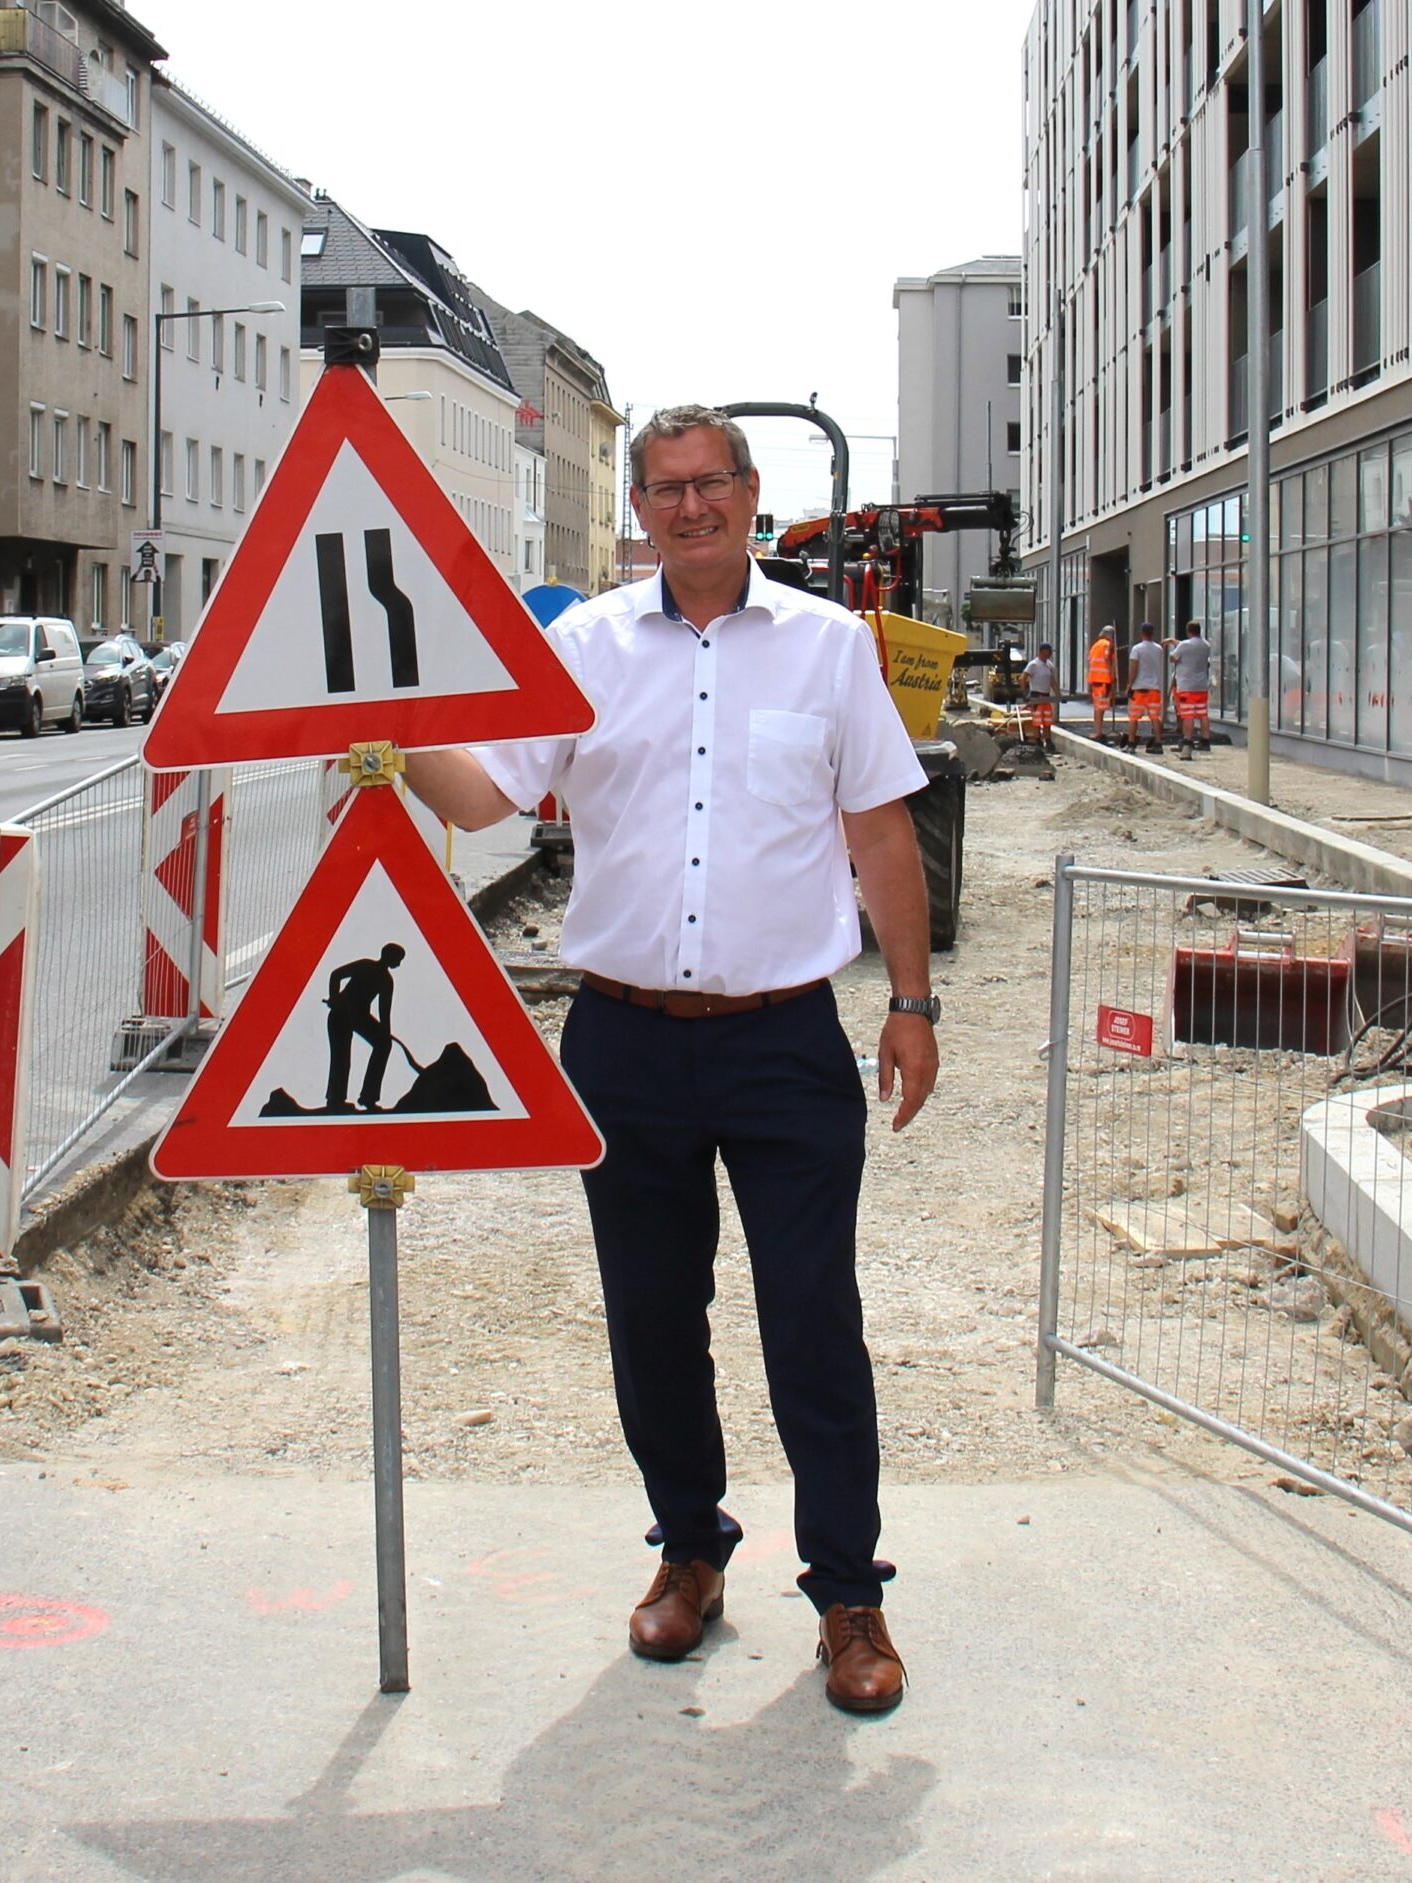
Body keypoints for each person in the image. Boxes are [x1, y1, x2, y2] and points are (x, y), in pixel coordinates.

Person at [406, 404, 937, 1716]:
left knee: (813, 1314)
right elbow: (486, 796)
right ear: (640, 509)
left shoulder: (830, 648)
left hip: (785, 1041)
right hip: (625, 1039)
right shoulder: (580, 645)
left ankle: (848, 1594)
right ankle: (688, 1550)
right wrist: (372, 718)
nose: (691, 506)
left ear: (750, 494)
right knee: (654, 1316)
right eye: (666, 488)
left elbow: (879, 832)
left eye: (712, 484)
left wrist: (913, 1002)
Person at [324, 944, 404, 1113]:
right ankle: (335, 1099)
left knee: (384, 1044)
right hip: (341, 1013)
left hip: (360, 1017)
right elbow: (336, 975)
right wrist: (335, 998)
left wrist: (386, 1033)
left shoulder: (387, 981)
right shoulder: (365, 965)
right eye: (398, 959)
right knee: (342, 1057)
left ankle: (368, 1097)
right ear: (390, 957)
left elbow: (384, 1011)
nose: (399, 964)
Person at [1172, 618, 1214, 757]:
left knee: (1188, 714)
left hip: (1186, 685)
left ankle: (1187, 740)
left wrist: (1175, 645)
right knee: (1203, 714)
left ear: (1188, 631)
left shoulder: (1184, 645)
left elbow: (1173, 657)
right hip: (1201, 685)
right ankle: (1205, 741)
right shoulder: (1206, 645)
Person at [1126, 623, 1167, 754]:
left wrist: (1129, 684)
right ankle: (1158, 743)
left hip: (1139, 688)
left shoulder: (1137, 649)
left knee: (1134, 717)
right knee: (1155, 717)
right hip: (1154, 688)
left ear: (1141, 633)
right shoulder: (1158, 649)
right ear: (1152, 633)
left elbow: (1133, 668)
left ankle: (1131, 743)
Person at [1021, 641, 1058, 746]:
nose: (1048, 654)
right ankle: (1038, 740)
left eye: (1049, 653)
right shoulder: (1034, 664)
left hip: (1046, 697)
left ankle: (1048, 739)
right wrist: (1025, 693)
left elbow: (1053, 682)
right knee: (1037, 720)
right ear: (1041, 652)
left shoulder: (1049, 665)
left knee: (1047, 720)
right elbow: (1023, 678)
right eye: (1047, 652)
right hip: (1036, 696)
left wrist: (1058, 695)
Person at [1086, 625, 1117, 744]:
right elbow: (1109, 660)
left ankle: (1098, 731)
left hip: (1095, 681)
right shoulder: (1108, 645)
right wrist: (1114, 679)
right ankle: (1099, 734)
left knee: (1098, 708)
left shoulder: (1095, 645)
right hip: (1104, 681)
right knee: (1100, 708)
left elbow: (1090, 663)